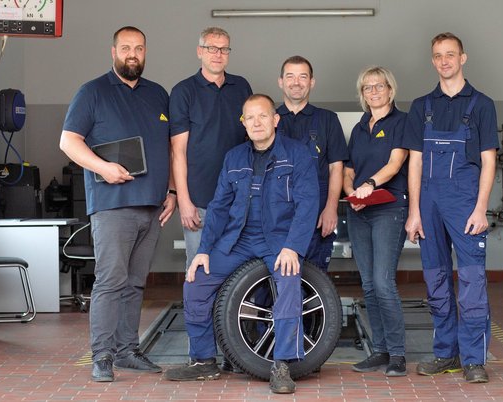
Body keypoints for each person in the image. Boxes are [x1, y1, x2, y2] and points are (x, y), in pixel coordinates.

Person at [163, 94, 319, 395]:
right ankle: (203, 361)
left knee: (288, 282)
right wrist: (204, 250)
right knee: (196, 281)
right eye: (250, 117)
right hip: (238, 239)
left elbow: (308, 204)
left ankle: (283, 364)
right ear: (243, 123)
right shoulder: (234, 157)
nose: (257, 122)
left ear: (275, 120)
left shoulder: (297, 154)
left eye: (263, 116)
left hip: (279, 240)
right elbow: (219, 207)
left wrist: (293, 247)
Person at [59, 26, 176, 382]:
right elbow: (68, 141)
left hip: (152, 207)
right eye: (126, 48)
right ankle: (103, 356)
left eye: (139, 48)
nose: (133, 54)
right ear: (113, 52)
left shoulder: (158, 94)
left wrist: (170, 192)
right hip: (113, 206)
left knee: (136, 282)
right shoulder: (92, 92)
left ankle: (128, 351)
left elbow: (171, 149)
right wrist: (103, 168)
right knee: (111, 281)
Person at [403, 32, 499, 383]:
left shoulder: (482, 104)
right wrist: (414, 211)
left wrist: (481, 208)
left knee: (472, 282)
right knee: (436, 280)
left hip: (464, 203)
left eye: (450, 54)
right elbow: (414, 161)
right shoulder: (420, 106)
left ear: (463, 58)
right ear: (433, 60)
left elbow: (489, 161)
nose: (444, 60)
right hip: (427, 203)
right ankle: (445, 354)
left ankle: (473, 359)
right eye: (438, 55)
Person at [169, 27, 252, 373]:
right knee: (200, 280)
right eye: (211, 48)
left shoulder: (242, 88)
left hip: (240, 201)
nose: (217, 54)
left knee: (237, 278)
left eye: (223, 49)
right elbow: (178, 150)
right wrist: (184, 200)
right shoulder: (184, 92)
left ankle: (235, 353)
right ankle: (202, 354)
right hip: (201, 200)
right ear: (199, 51)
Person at [343, 66, 409, 377]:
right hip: (360, 211)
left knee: (384, 282)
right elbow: (348, 170)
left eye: (379, 86)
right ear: (362, 94)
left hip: (388, 208)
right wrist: (352, 194)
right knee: (368, 284)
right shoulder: (358, 128)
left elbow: (395, 164)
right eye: (367, 87)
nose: (373, 91)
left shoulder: (401, 122)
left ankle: (397, 354)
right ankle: (380, 349)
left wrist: (369, 185)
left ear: (390, 89)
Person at [276, 56, 348, 271]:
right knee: (276, 279)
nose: (296, 82)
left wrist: (331, 208)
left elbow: (336, 167)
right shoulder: (269, 120)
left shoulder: (328, 119)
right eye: (290, 76)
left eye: (303, 76)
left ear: (312, 82)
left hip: (318, 213)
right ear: (280, 81)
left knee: (315, 279)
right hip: (278, 215)